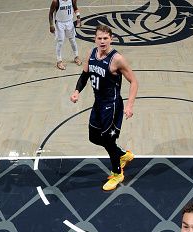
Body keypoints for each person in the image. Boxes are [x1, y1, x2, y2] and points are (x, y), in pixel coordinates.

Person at [70, 24, 138, 191]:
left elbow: (134, 82)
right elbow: (85, 74)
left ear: (111, 39)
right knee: (93, 137)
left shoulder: (117, 59)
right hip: (98, 103)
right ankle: (122, 155)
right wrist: (76, 91)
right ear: (95, 39)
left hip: (112, 106)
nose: (102, 41)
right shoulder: (92, 53)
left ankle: (117, 173)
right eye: (99, 38)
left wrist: (129, 105)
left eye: (105, 38)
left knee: (108, 140)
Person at [49, 0, 82, 70]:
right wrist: (51, 25)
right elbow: (50, 13)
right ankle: (59, 61)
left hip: (69, 22)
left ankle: (76, 57)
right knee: (60, 42)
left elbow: (75, 8)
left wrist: (78, 18)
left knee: (72, 40)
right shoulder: (55, 2)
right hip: (59, 23)